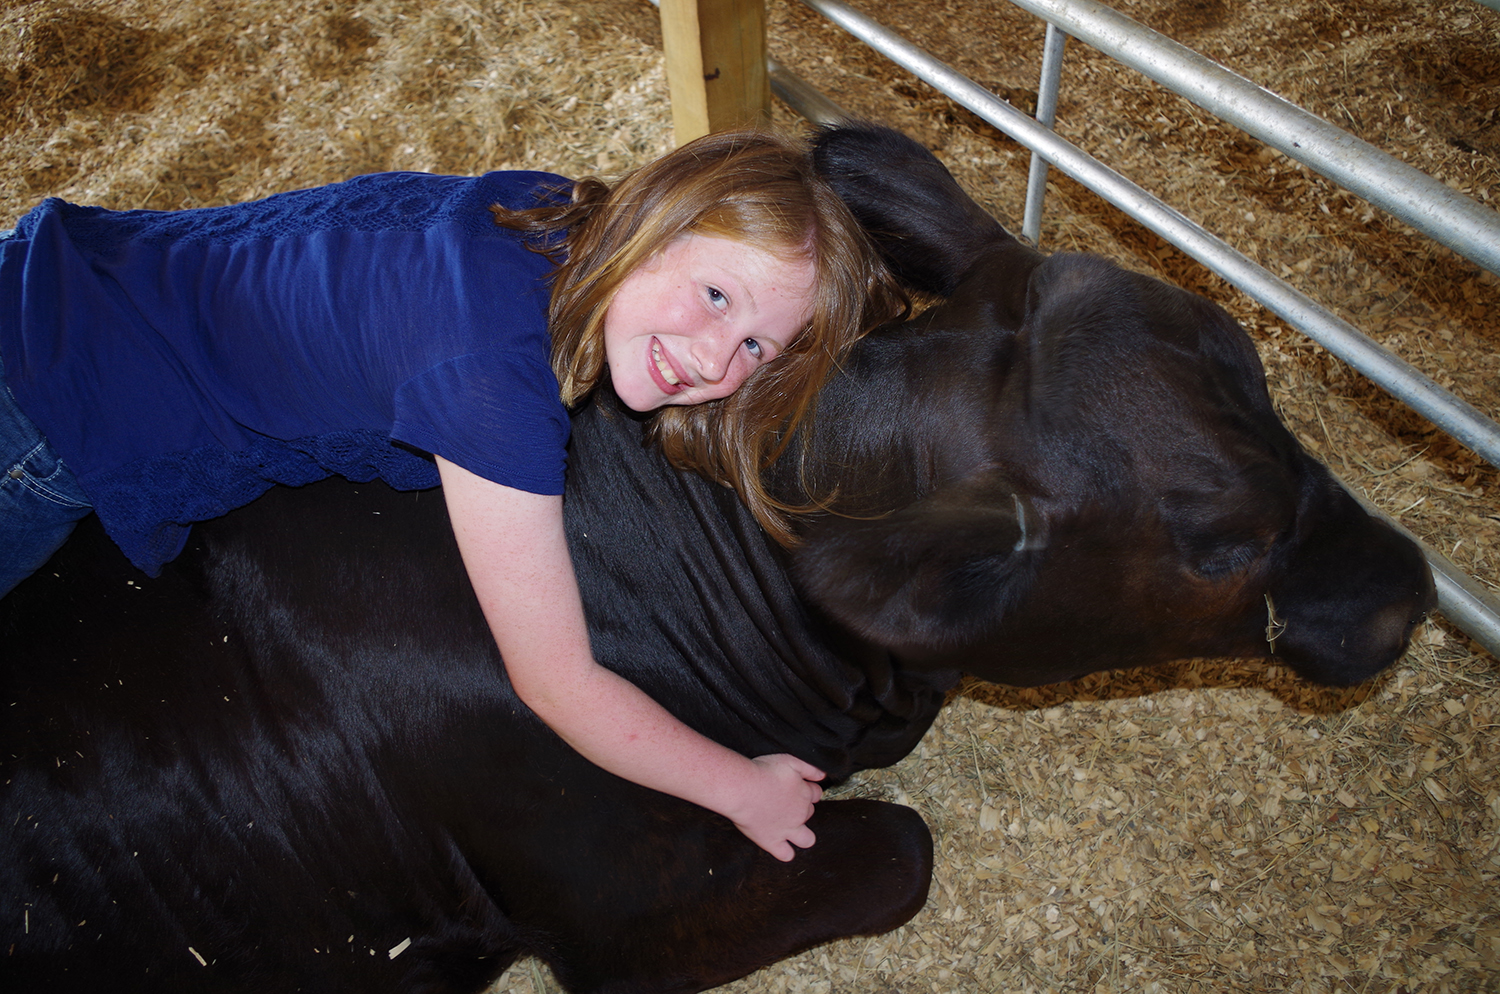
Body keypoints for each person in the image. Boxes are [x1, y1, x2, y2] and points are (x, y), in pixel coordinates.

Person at [0, 127, 908, 861]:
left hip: (55, 276)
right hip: (38, 411)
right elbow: (558, 684)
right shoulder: (490, 382)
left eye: (756, 348)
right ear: (655, 225)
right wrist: (741, 790)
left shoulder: (546, 213)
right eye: (716, 294)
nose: (716, 357)